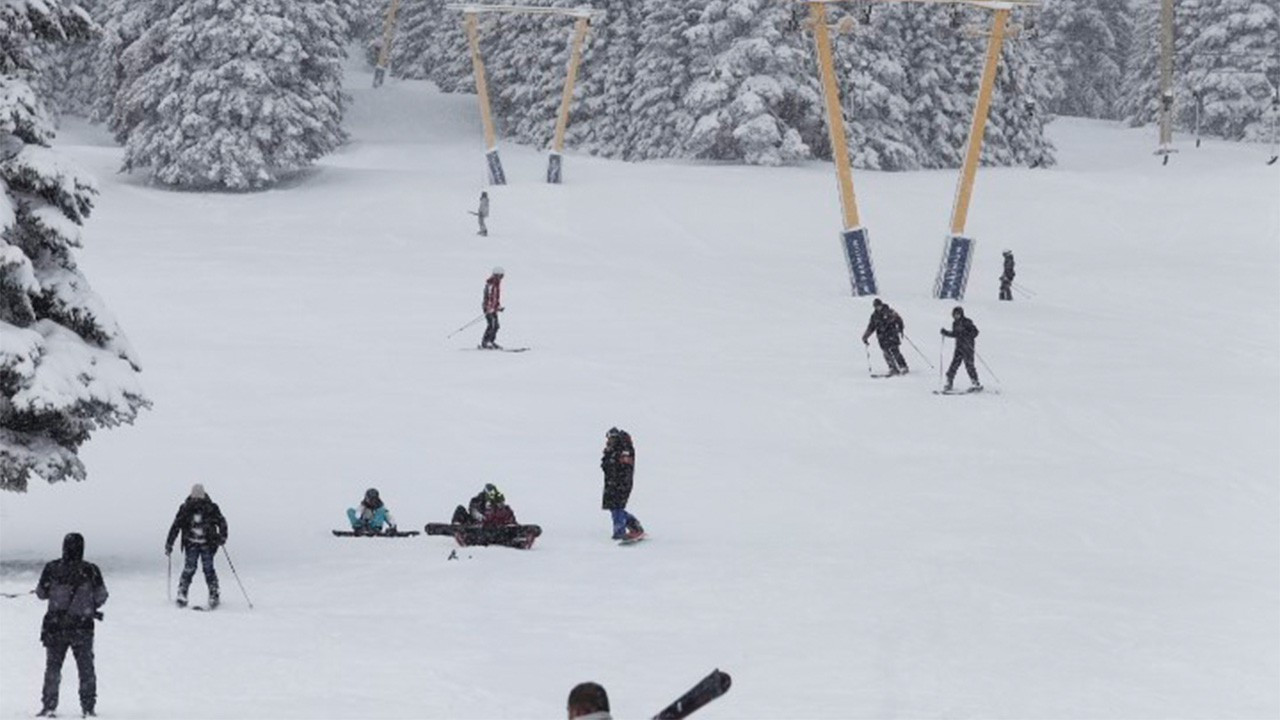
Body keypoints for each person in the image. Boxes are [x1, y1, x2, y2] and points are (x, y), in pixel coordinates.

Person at [36, 533, 108, 718]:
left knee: (53, 668)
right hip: (82, 627)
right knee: (86, 669)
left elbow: (41, 593)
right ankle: (88, 708)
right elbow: (101, 596)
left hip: (55, 626)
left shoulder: (52, 568)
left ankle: (49, 706)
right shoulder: (91, 570)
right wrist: (87, 605)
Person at [165, 484, 228, 608]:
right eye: (196, 496)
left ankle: (213, 594)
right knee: (190, 569)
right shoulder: (186, 508)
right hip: (191, 544)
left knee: (207, 569)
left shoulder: (211, 508)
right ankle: (183, 594)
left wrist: (222, 536)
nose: (197, 499)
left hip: (207, 544)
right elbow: (176, 526)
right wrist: (169, 543)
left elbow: (221, 522)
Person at [601, 427, 644, 540]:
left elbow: (624, 467)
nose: (609, 441)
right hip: (612, 483)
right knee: (614, 507)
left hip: (621, 483)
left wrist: (612, 461)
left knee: (617, 507)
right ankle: (634, 525)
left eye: (611, 438)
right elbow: (606, 467)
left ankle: (619, 532)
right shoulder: (611, 450)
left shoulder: (624, 449)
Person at [861, 298, 908, 375]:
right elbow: (871, 327)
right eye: (876, 306)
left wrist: (900, 328)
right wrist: (865, 336)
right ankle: (892, 368)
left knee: (895, 351)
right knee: (886, 352)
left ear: (881, 305)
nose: (878, 308)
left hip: (892, 334)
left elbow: (899, 319)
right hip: (882, 337)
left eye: (879, 306)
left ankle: (903, 366)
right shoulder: (874, 316)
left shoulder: (890, 312)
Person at [940, 306, 981, 392]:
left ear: (961, 314)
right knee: (954, 365)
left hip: (968, 347)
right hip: (959, 347)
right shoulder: (955, 323)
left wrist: (967, 334)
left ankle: (975, 382)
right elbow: (955, 334)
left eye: (958, 314)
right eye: (955, 314)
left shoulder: (967, 322)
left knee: (969, 365)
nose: (956, 316)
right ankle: (949, 382)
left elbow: (975, 332)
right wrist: (946, 333)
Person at [451, 483, 517, 527]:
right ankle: (457, 526)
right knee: (460, 509)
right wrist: (480, 518)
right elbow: (473, 510)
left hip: (495, 525)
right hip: (476, 524)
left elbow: (506, 513)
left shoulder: (498, 502)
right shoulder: (477, 500)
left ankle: (512, 526)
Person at [480, 266, 504, 349]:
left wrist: (498, 306)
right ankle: (486, 342)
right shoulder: (491, 284)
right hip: (488, 308)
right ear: (496, 275)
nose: (501, 278)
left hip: (493, 309)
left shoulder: (496, 284)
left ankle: (491, 341)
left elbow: (495, 298)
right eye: (500, 276)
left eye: (502, 276)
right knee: (492, 325)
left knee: (496, 325)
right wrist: (489, 308)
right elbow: (489, 297)